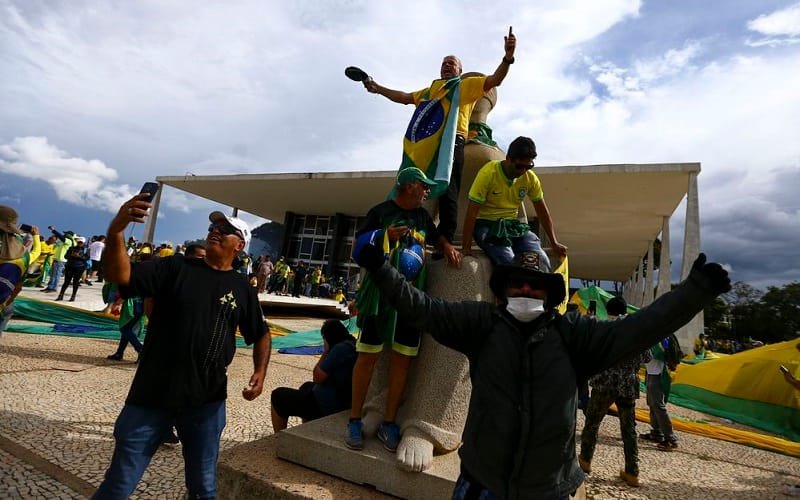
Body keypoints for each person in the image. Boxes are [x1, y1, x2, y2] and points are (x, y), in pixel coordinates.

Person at [351, 241, 730, 499]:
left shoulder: (574, 335)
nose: (526, 292)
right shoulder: (482, 325)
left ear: (550, 294)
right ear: (503, 291)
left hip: (547, 488)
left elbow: (640, 328)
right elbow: (423, 308)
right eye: (518, 284)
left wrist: (694, 292)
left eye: (536, 287)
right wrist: (382, 270)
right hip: (482, 481)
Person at [93, 195, 271, 499]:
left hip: (206, 403)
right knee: (118, 485)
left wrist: (260, 371)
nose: (215, 230)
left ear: (239, 245)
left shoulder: (242, 288)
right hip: (150, 397)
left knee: (203, 488)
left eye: (225, 229)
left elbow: (262, 333)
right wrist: (116, 232)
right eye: (213, 226)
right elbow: (121, 277)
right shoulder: (176, 267)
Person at [362, 28, 516, 244]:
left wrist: (508, 58)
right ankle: (408, 230)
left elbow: (494, 80)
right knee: (417, 189)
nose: (446, 65)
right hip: (427, 146)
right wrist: (378, 88)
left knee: (448, 192)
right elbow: (405, 97)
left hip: (452, 144)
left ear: (460, 71)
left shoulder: (464, 86)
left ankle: (444, 240)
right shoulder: (431, 91)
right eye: (444, 62)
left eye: (451, 63)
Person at [347, 167, 461, 452]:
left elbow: (435, 237)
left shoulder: (422, 217)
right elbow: (358, 249)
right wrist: (385, 235)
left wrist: (446, 246)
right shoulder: (380, 211)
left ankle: (388, 422)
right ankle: (353, 419)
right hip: (380, 296)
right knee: (367, 358)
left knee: (403, 360)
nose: (426, 192)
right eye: (423, 187)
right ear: (409, 186)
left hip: (411, 299)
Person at [461, 136, 567, 271]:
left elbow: (542, 211)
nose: (523, 171)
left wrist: (554, 242)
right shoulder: (488, 173)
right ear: (508, 159)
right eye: (519, 166)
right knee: (509, 263)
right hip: (487, 226)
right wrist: (466, 247)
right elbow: (472, 211)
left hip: (512, 226)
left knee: (540, 261)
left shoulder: (530, 178)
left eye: (528, 166)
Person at [578, 296, 651, 487]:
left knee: (592, 423)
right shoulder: (637, 331)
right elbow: (648, 357)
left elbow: (590, 351)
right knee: (629, 429)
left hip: (605, 382)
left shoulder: (603, 328)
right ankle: (632, 472)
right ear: (625, 310)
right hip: (627, 384)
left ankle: (585, 462)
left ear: (608, 310)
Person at [271, 320, 357, 431]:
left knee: (278, 396)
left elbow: (317, 377)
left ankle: (278, 438)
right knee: (306, 386)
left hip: (326, 405)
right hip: (340, 399)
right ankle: (309, 429)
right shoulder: (352, 345)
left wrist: (325, 352)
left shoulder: (339, 350)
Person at [1, 206, 41, 336]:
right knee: (7, 312)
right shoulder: (23, 255)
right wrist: (36, 237)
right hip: (4, 302)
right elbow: (36, 252)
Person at [639, 335, 682, 451]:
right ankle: (656, 433)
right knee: (652, 404)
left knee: (658, 405)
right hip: (651, 373)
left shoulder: (660, 337)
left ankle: (671, 439)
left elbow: (656, 354)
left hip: (658, 374)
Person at [56, 236, 89, 302]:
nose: (80, 243)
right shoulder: (71, 248)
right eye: (79, 242)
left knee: (75, 282)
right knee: (66, 282)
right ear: (77, 242)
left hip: (80, 267)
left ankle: (73, 296)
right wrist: (71, 255)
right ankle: (61, 295)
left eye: (81, 242)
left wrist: (79, 256)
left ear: (84, 243)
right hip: (70, 266)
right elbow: (65, 256)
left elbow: (86, 258)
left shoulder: (86, 250)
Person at [42, 226, 75, 292]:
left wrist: (54, 230)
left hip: (61, 260)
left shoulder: (69, 241)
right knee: (52, 274)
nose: (64, 234)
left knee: (56, 274)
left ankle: (54, 288)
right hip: (56, 259)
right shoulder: (65, 241)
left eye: (66, 234)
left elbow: (61, 237)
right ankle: (49, 287)